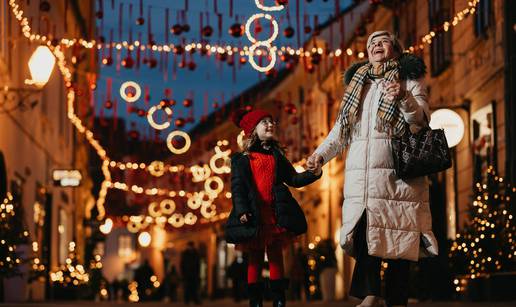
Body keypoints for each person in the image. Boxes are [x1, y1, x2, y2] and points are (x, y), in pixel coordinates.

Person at [307, 30, 438, 307]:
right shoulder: (359, 84)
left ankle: (395, 299)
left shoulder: (409, 79)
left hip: (398, 175)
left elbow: (421, 120)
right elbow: (341, 130)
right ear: (367, 53)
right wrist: (320, 155)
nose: (377, 46)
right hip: (361, 176)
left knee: (399, 238)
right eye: (372, 44)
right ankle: (370, 294)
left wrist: (403, 96)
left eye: (383, 41)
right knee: (366, 232)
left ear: (395, 48)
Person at [225, 108, 322, 307]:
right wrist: (242, 211)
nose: (270, 124)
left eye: (271, 121)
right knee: (255, 258)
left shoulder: (277, 156)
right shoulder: (242, 160)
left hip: (275, 215)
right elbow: (238, 188)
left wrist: (314, 173)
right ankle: (256, 301)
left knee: (276, 256)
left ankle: (279, 299)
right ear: (252, 129)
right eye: (264, 122)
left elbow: (294, 178)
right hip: (254, 215)